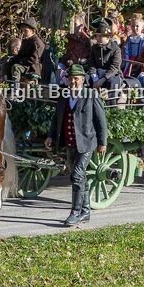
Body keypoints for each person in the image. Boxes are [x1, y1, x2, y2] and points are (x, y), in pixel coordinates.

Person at [45, 65, 107, 226]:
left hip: (87, 142)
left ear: (83, 80)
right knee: (81, 177)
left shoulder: (91, 95)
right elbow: (56, 119)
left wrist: (102, 142)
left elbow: (101, 121)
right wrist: (51, 136)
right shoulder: (64, 96)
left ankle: (75, 212)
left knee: (77, 175)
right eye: (71, 78)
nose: (73, 81)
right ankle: (86, 211)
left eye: (76, 79)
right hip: (70, 143)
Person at [86, 21, 122, 104]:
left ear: (108, 37)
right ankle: (89, 103)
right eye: (97, 36)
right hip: (97, 73)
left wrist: (102, 80)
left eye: (101, 36)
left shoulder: (115, 49)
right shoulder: (94, 48)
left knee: (114, 82)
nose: (98, 38)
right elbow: (91, 63)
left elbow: (115, 67)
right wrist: (94, 77)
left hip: (111, 74)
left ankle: (111, 106)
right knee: (86, 78)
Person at [3, 18, 46, 88]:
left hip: (33, 68)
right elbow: (20, 55)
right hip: (25, 65)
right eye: (23, 31)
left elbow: (34, 60)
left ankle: (15, 89)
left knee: (16, 67)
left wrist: (20, 61)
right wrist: (13, 59)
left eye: (26, 31)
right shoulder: (26, 41)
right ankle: (8, 84)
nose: (23, 33)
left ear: (33, 31)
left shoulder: (38, 43)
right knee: (9, 62)